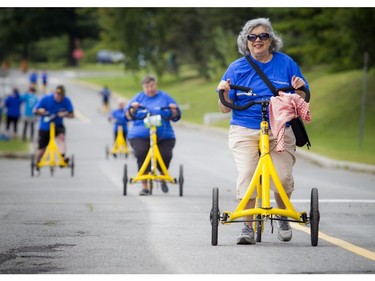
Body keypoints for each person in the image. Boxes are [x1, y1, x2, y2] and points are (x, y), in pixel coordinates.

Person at [216, 18, 309, 245]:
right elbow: (223, 108)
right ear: (246, 42)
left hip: (279, 127)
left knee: (283, 177)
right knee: (248, 175)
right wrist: (225, 92)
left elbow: (303, 98)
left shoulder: (286, 64)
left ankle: (282, 215)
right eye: (252, 37)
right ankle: (247, 227)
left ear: (271, 40)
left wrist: (299, 91)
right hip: (245, 128)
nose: (258, 40)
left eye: (263, 36)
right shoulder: (236, 68)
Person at [125, 75, 181, 196]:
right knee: (141, 153)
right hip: (140, 134)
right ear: (143, 87)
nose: (150, 89)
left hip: (164, 134)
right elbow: (127, 115)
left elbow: (176, 115)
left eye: (152, 86)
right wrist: (133, 109)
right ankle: (144, 185)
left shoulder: (165, 97)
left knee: (165, 154)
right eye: (147, 87)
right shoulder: (138, 97)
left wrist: (174, 110)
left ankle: (162, 175)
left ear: (156, 85)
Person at [33, 85, 74, 165]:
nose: (59, 96)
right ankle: (36, 161)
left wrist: (65, 114)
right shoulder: (45, 99)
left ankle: (62, 157)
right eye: (57, 94)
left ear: (64, 95)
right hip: (45, 126)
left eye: (61, 95)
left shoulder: (66, 100)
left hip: (58, 124)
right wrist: (40, 111)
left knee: (61, 138)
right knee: (42, 148)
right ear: (54, 93)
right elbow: (35, 110)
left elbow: (72, 114)